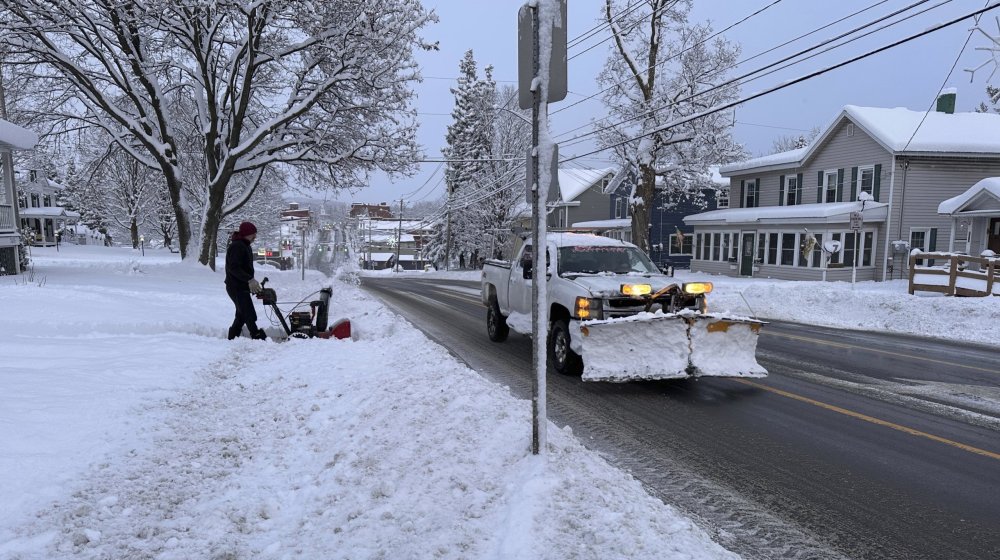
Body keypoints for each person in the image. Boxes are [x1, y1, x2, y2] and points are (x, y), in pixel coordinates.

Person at [225, 221, 267, 340]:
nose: (255, 237)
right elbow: (233, 268)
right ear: (247, 234)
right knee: (248, 312)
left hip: (241, 285)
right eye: (253, 234)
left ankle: (232, 338)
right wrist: (249, 279)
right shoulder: (237, 246)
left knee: (241, 314)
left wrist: (250, 281)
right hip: (236, 286)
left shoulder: (244, 245)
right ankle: (256, 335)